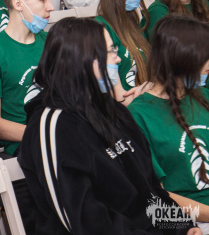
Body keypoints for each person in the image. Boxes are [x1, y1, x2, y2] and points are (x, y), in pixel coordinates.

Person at [17, 17, 200, 235]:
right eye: (111, 51)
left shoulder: (115, 112)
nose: (118, 59)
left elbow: (150, 192)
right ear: (81, 59)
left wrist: (183, 227)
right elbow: (82, 219)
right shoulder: (53, 124)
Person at [129, 15, 209, 233]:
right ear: (181, 59)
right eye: (204, 57)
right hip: (190, 221)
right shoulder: (139, 115)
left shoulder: (203, 95)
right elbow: (155, 198)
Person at [0, 0, 53, 157]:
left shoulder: (51, 41)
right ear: (18, 4)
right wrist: (45, 134)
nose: (51, 6)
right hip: (25, 143)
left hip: (57, 131)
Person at [95, 0, 150, 94]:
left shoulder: (132, 21)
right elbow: (111, 91)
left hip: (143, 98)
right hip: (126, 103)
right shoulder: (101, 29)